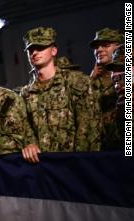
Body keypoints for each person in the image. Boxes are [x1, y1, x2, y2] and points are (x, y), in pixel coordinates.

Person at [20, 27, 101, 163]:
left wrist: (81, 162)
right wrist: (29, 144)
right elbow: (24, 129)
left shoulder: (76, 82)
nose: (34, 52)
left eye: (40, 47)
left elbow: (90, 127)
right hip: (42, 168)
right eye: (30, 49)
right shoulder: (26, 93)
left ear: (53, 50)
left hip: (74, 165)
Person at [88, 28, 123, 150]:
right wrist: (91, 79)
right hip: (102, 146)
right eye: (97, 47)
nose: (99, 50)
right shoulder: (92, 80)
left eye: (105, 45)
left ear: (119, 46)